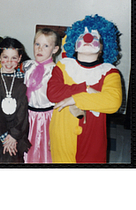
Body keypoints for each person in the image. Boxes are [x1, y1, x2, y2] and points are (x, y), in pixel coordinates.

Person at [47, 14, 122, 163]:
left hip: (92, 139)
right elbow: (52, 93)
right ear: (74, 43)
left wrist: (75, 98)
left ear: (103, 46)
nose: (87, 39)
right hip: (62, 135)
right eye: (82, 35)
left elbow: (113, 102)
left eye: (95, 37)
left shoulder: (110, 72)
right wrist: (86, 89)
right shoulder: (63, 65)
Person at [0, 37, 31, 164]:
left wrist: (14, 135)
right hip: (0, 133)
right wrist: (5, 138)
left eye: (14, 58)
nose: (9, 62)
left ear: (19, 58)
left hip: (18, 133)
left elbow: (23, 111)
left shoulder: (23, 81)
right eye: (5, 57)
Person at [23, 28, 61, 163]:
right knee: (28, 149)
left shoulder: (55, 71)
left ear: (55, 49)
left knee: (45, 150)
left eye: (46, 46)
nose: (40, 49)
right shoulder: (28, 66)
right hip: (28, 116)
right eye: (37, 44)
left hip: (47, 118)